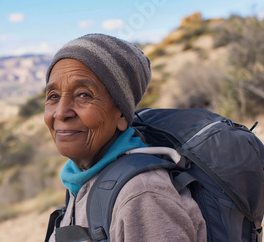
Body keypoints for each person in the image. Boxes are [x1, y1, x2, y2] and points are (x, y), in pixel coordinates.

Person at [44, 34, 207, 241]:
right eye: (53, 97)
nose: (60, 112)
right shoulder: (81, 179)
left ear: (121, 114)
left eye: (83, 95)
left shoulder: (142, 195)